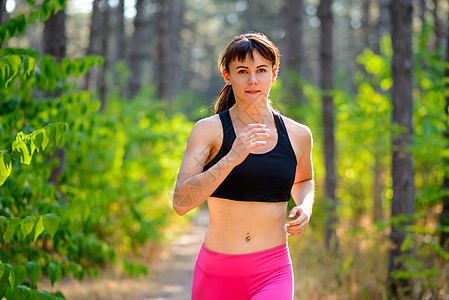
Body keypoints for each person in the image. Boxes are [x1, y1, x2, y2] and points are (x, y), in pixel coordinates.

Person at [172, 32, 314, 300]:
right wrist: (231, 158)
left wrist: (305, 206)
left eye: (261, 70)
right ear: (226, 75)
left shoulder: (298, 134)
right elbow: (181, 203)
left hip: (273, 272)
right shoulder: (208, 131)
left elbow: (303, 181)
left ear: (274, 73)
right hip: (216, 273)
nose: (252, 80)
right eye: (242, 71)